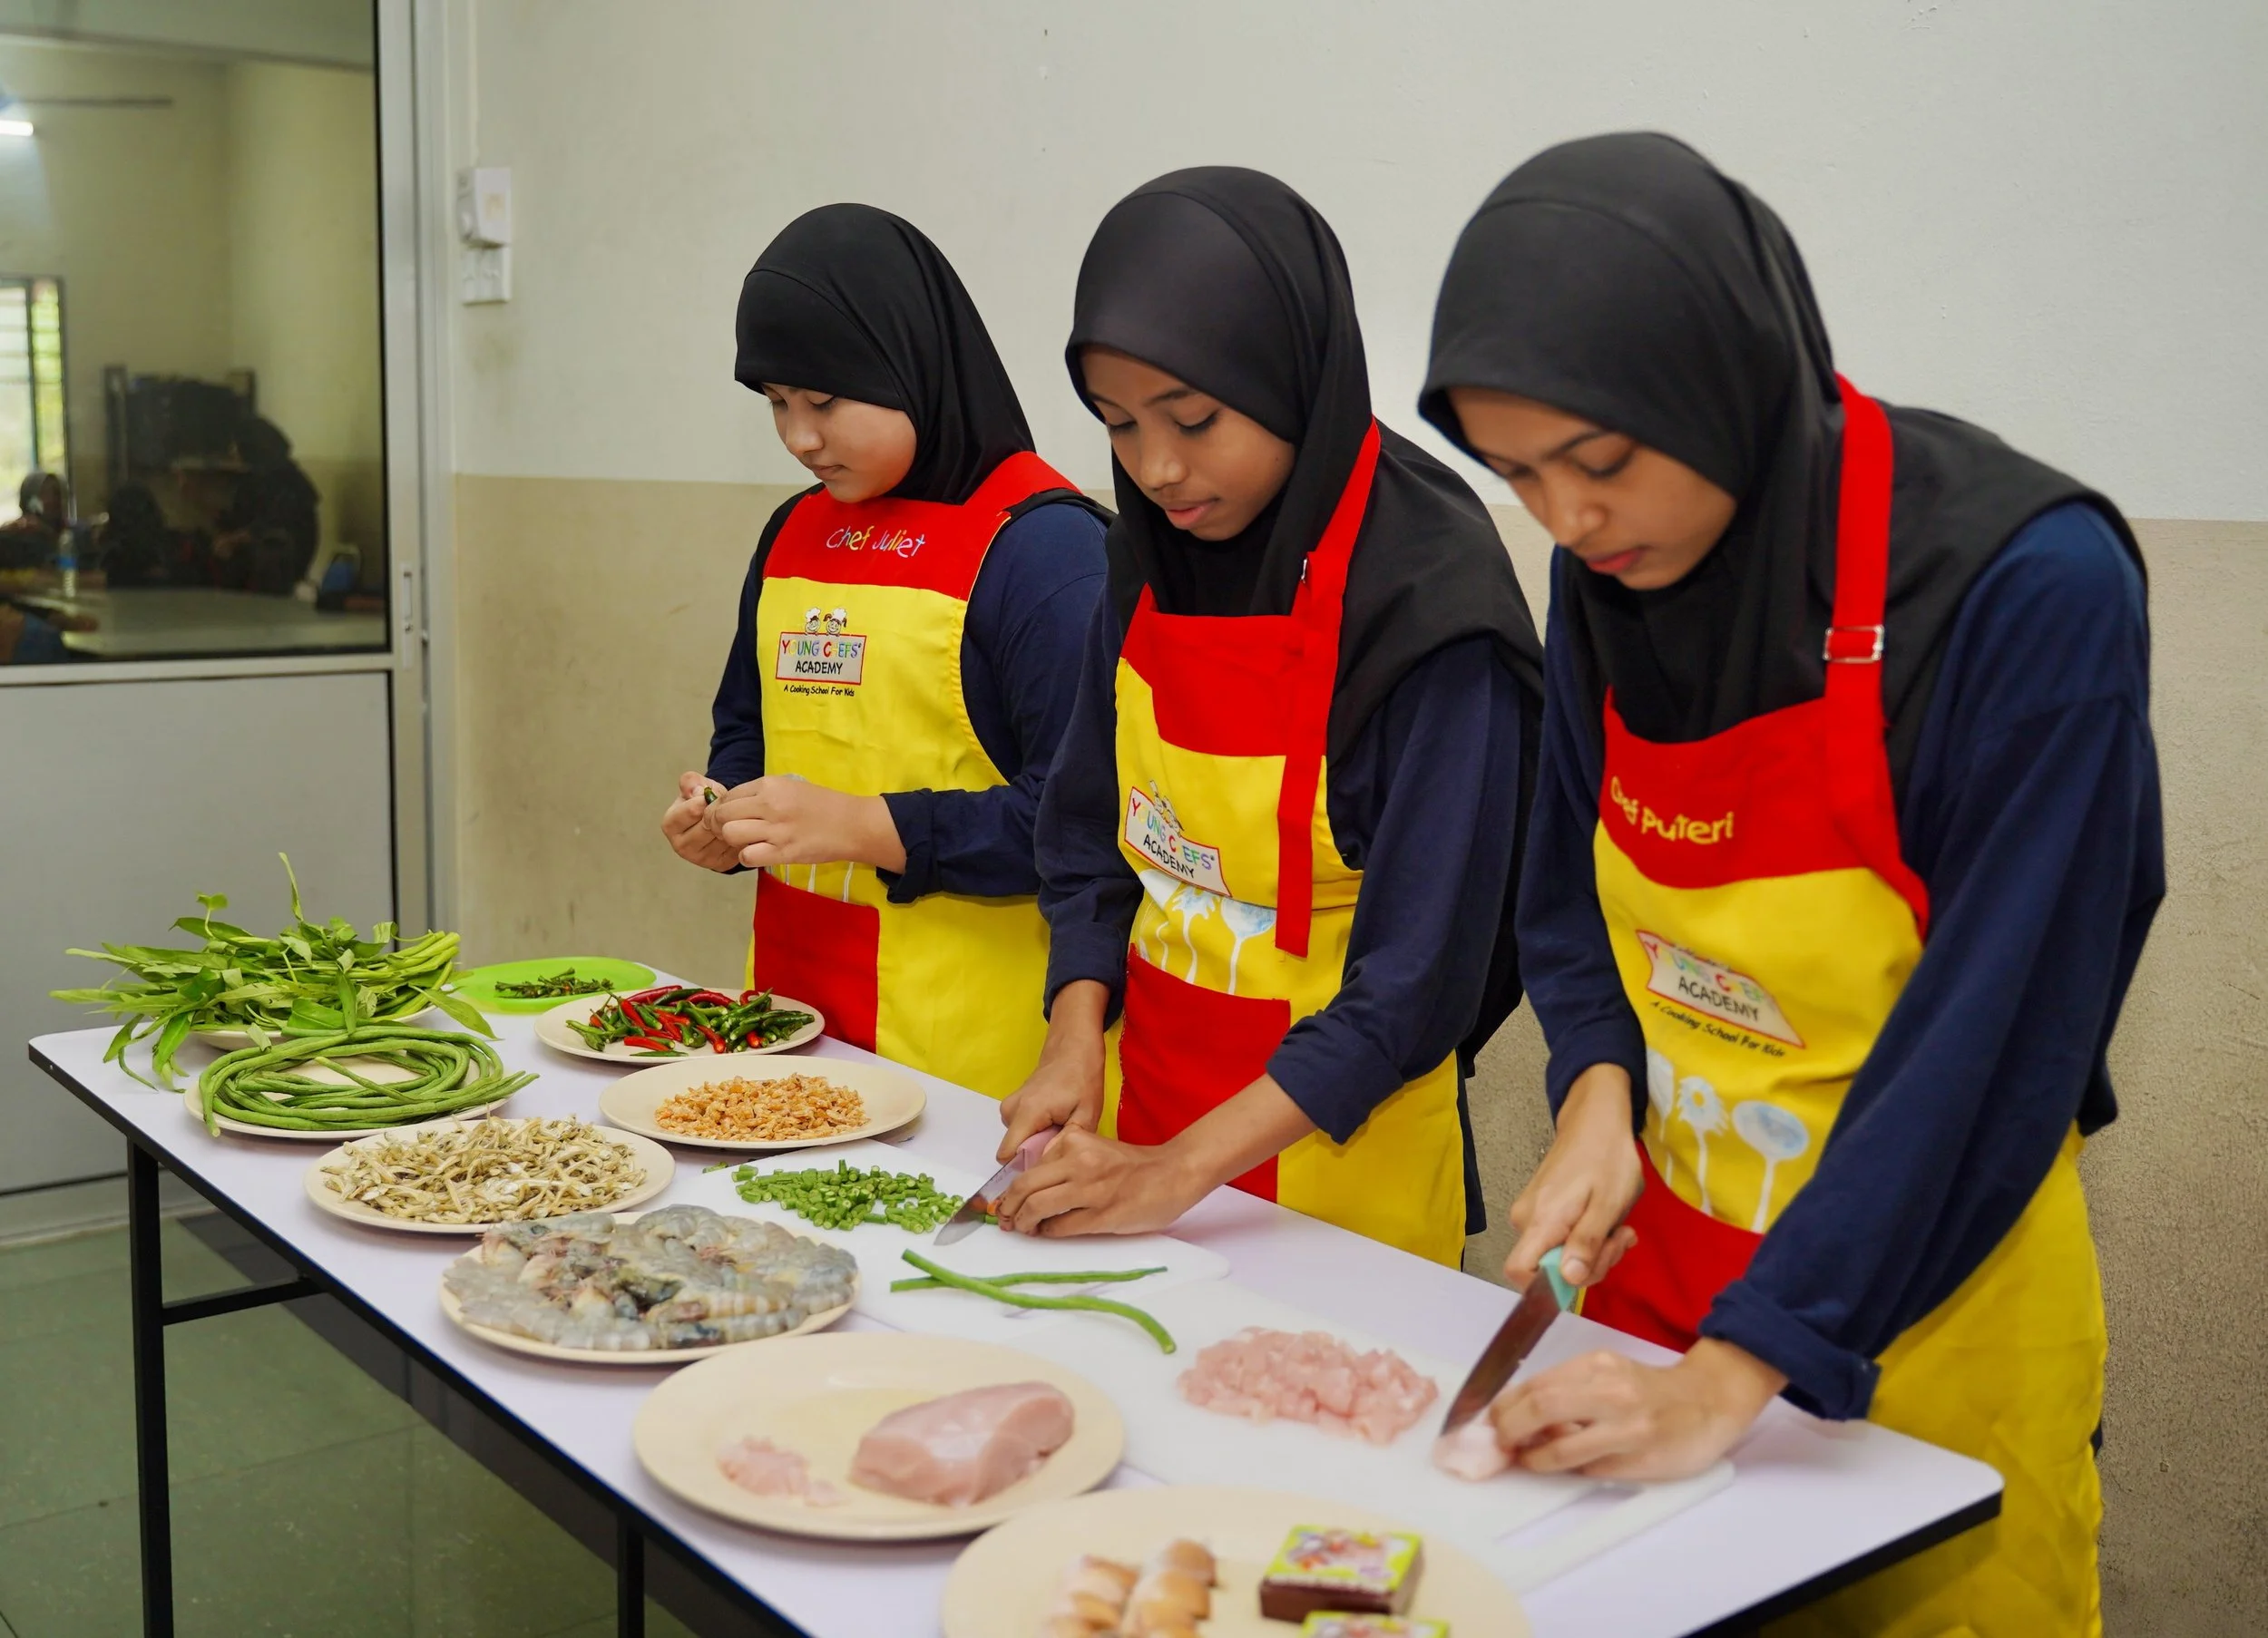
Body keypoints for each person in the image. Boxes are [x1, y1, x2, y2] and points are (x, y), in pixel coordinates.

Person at [1419, 133, 2159, 1633]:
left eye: (1602, 462)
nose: (1565, 520)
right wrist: (1599, 1088)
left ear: (1722, 372)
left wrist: (1741, 1373)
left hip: (1927, 1327)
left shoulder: (2023, 589)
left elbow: (1996, 1040)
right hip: (1658, 1284)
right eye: (1517, 476)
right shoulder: (1606, 568)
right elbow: (1568, 890)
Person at [993, 169, 1544, 1267]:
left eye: (1195, 420)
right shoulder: (1144, 552)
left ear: (1291, 375)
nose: (1155, 468)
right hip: (1141, 1119)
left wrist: (1183, 1171)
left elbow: (1419, 978)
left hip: (1349, 1158)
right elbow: (1089, 832)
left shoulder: (1431, 600)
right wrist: (1072, 1039)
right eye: (1117, 425)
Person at [665, 203, 1108, 1099]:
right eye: (776, 405)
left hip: (973, 1053)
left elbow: (1079, 828)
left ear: (910, 361)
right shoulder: (792, 532)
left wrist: (866, 827)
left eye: (823, 402)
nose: (799, 438)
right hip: (793, 1016)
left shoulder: (1047, 552)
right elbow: (747, 729)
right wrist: (725, 809)